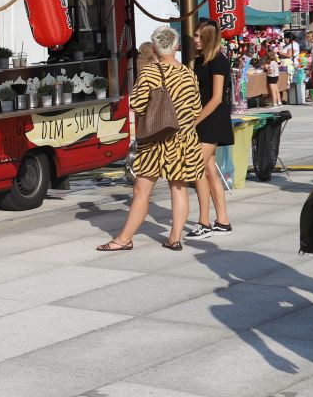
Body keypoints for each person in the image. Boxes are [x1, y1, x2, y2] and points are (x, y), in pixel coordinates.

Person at [98, 27, 206, 252]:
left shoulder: (149, 73)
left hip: (156, 140)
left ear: (156, 47)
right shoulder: (189, 74)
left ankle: (124, 238)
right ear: (176, 46)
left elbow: (136, 104)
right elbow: (196, 109)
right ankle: (174, 238)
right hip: (185, 140)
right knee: (179, 188)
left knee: (142, 190)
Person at [186, 21, 233, 238]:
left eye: (199, 35)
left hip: (213, 119)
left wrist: (194, 121)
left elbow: (216, 98)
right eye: (194, 35)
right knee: (208, 169)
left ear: (208, 37)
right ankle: (222, 220)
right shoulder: (199, 61)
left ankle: (204, 222)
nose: (195, 39)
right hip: (204, 118)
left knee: (197, 167)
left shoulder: (218, 61)